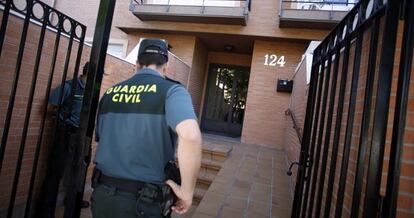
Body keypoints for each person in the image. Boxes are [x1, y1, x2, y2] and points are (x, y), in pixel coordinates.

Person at [91, 38, 202, 218]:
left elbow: (101, 139)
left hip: (103, 196)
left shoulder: (110, 93)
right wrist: (187, 192)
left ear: (136, 64)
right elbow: (190, 136)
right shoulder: (172, 91)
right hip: (143, 203)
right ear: (165, 67)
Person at [36, 62, 90, 218]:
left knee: (77, 171)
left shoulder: (89, 90)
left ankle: (72, 202)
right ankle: (45, 212)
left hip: (80, 136)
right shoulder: (69, 86)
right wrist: (62, 119)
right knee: (55, 172)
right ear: (88, 73)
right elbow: (50, 107)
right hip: (65, 134)